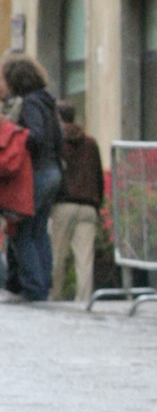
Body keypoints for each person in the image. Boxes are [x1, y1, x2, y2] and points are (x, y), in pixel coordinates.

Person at [0, 54, 64, 303]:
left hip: (36, 174)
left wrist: (14, 136)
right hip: (52, 173)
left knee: (21, 232)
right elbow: (57, 140)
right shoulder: (48, 102)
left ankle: (33, 288)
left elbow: (34, 135)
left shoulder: (30, 104)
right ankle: (42, 285)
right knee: (38, 232)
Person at [49, 100, 105, 303]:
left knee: (57, 255)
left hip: (64, 204)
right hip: (89, 205)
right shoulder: (91, 142)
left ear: (58, 118)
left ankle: (53, 297)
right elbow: (98, 175)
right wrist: (97, 203)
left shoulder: (57, 141)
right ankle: (84, 301)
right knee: (85, 260)